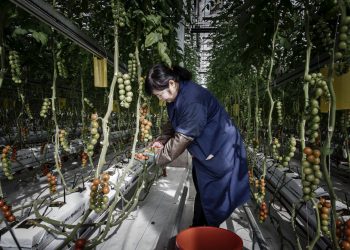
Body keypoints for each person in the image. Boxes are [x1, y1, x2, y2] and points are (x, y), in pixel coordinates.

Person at [145, 64, 250, 227]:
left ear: (171, 83)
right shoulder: (175, 96)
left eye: (160, 95)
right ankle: (198, 228)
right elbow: (174, 122)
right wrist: (161, 140)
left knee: (214, 197)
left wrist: (157, 157)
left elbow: (182, 137)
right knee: (203, 190)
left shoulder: (192, 99)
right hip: (206, 151)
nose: (160, 99)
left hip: (220, 150)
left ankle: (207, 234)